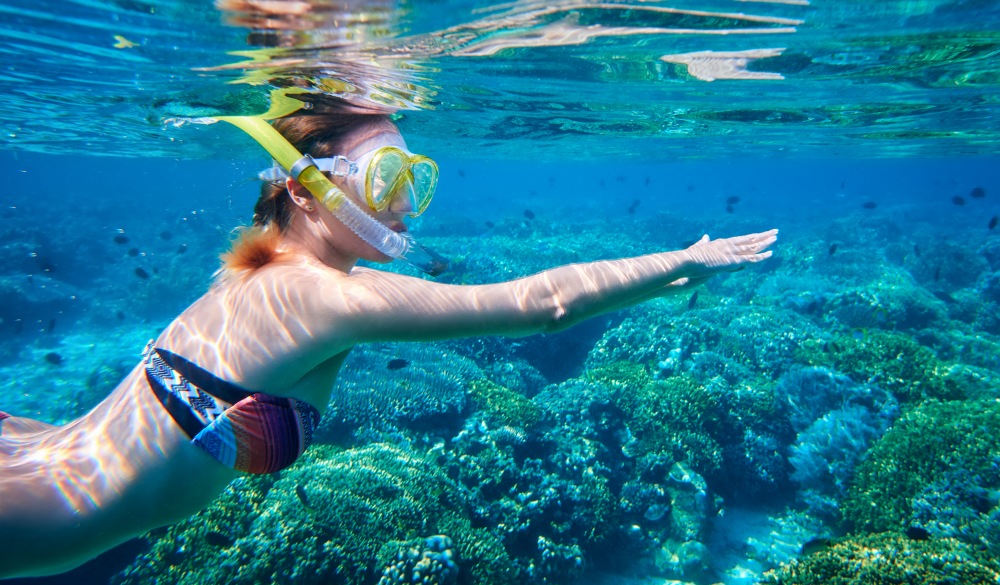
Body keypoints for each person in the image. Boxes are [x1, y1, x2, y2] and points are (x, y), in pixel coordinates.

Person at [0, 112, 777, 578]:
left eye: (415, 178)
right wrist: (683, 257)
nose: (405, 206)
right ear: (305, 187)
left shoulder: (270, 269)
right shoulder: (321, 294)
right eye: (384, 178)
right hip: (37, 512)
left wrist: (651, 285)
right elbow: (542, 306)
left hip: (42, 459)